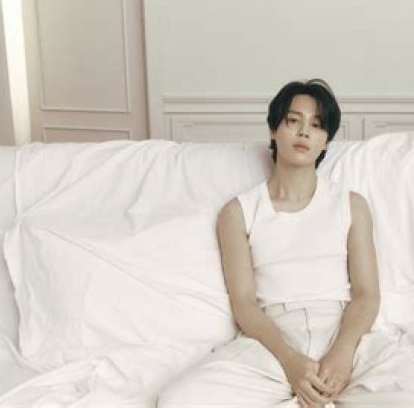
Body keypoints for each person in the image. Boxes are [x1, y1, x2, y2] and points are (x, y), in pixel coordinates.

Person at [157, 79, 382, 407]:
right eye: (293, 121)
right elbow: (244, 303)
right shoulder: (238, 212)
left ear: (325, 143)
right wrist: (290, 362)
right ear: (274, 130)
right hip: (272, 340)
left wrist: (343, 352)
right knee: (177, 401)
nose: (304, 132)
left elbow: (367, 294)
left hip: (341, 331)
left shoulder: (351, 205)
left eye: (316, 125)